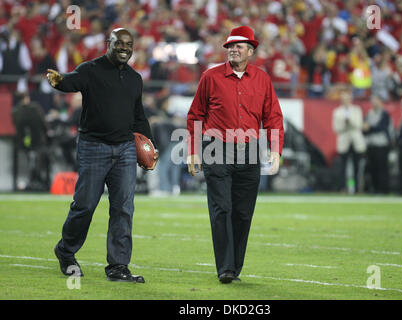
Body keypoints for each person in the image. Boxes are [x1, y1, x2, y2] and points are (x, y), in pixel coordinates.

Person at [47, 28, 159, 283]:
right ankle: (65, 250)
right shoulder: (90, 69)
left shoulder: (135, 78)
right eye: (119, 43)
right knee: (85, 205)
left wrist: (150, 143)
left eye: (128, 44)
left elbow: (138, 115)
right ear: (108, 44)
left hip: (125, 150)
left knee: (123, 208)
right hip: (93, 146)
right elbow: (72, 81)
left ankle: (118, 267)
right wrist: (59, 81)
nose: (124, 48)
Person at [186, 26, 284, 283]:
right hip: (216, 149)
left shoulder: (262, 79)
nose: (233, 49)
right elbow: (196, 115)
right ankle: (226, 268)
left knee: (243, 212)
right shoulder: (211, 76)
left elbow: (273, 117)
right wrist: (193, 151)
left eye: (239, 46)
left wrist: (275, 150)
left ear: (251, 51)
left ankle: (235, 267)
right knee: (222, 208)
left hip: (250, 151)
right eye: (230, 45)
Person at [332, 89, 366, 193]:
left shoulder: (357, 110)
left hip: (356, 141)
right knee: (343, 166)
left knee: (357, 166)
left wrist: (349, 121)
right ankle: (343, 187)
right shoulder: (337, 112)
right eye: (344, 98)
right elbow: (336, 128)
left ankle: (356, 188)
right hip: (344, 141)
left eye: (347, 98)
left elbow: (359, 124)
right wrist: (344, 123)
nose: (345, 100)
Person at [363, 95, 394, 194]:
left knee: (382, 168)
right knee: (373, 168)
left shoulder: (384, 114)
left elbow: (382, 127)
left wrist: (370, 128)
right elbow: (364, 128)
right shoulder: (369, 113)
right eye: (373, 101)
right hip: (371, 144)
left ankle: (384, 189)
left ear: (381, 102)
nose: (374, 103)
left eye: (376, 101)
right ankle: (375, 188)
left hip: (381, 144)